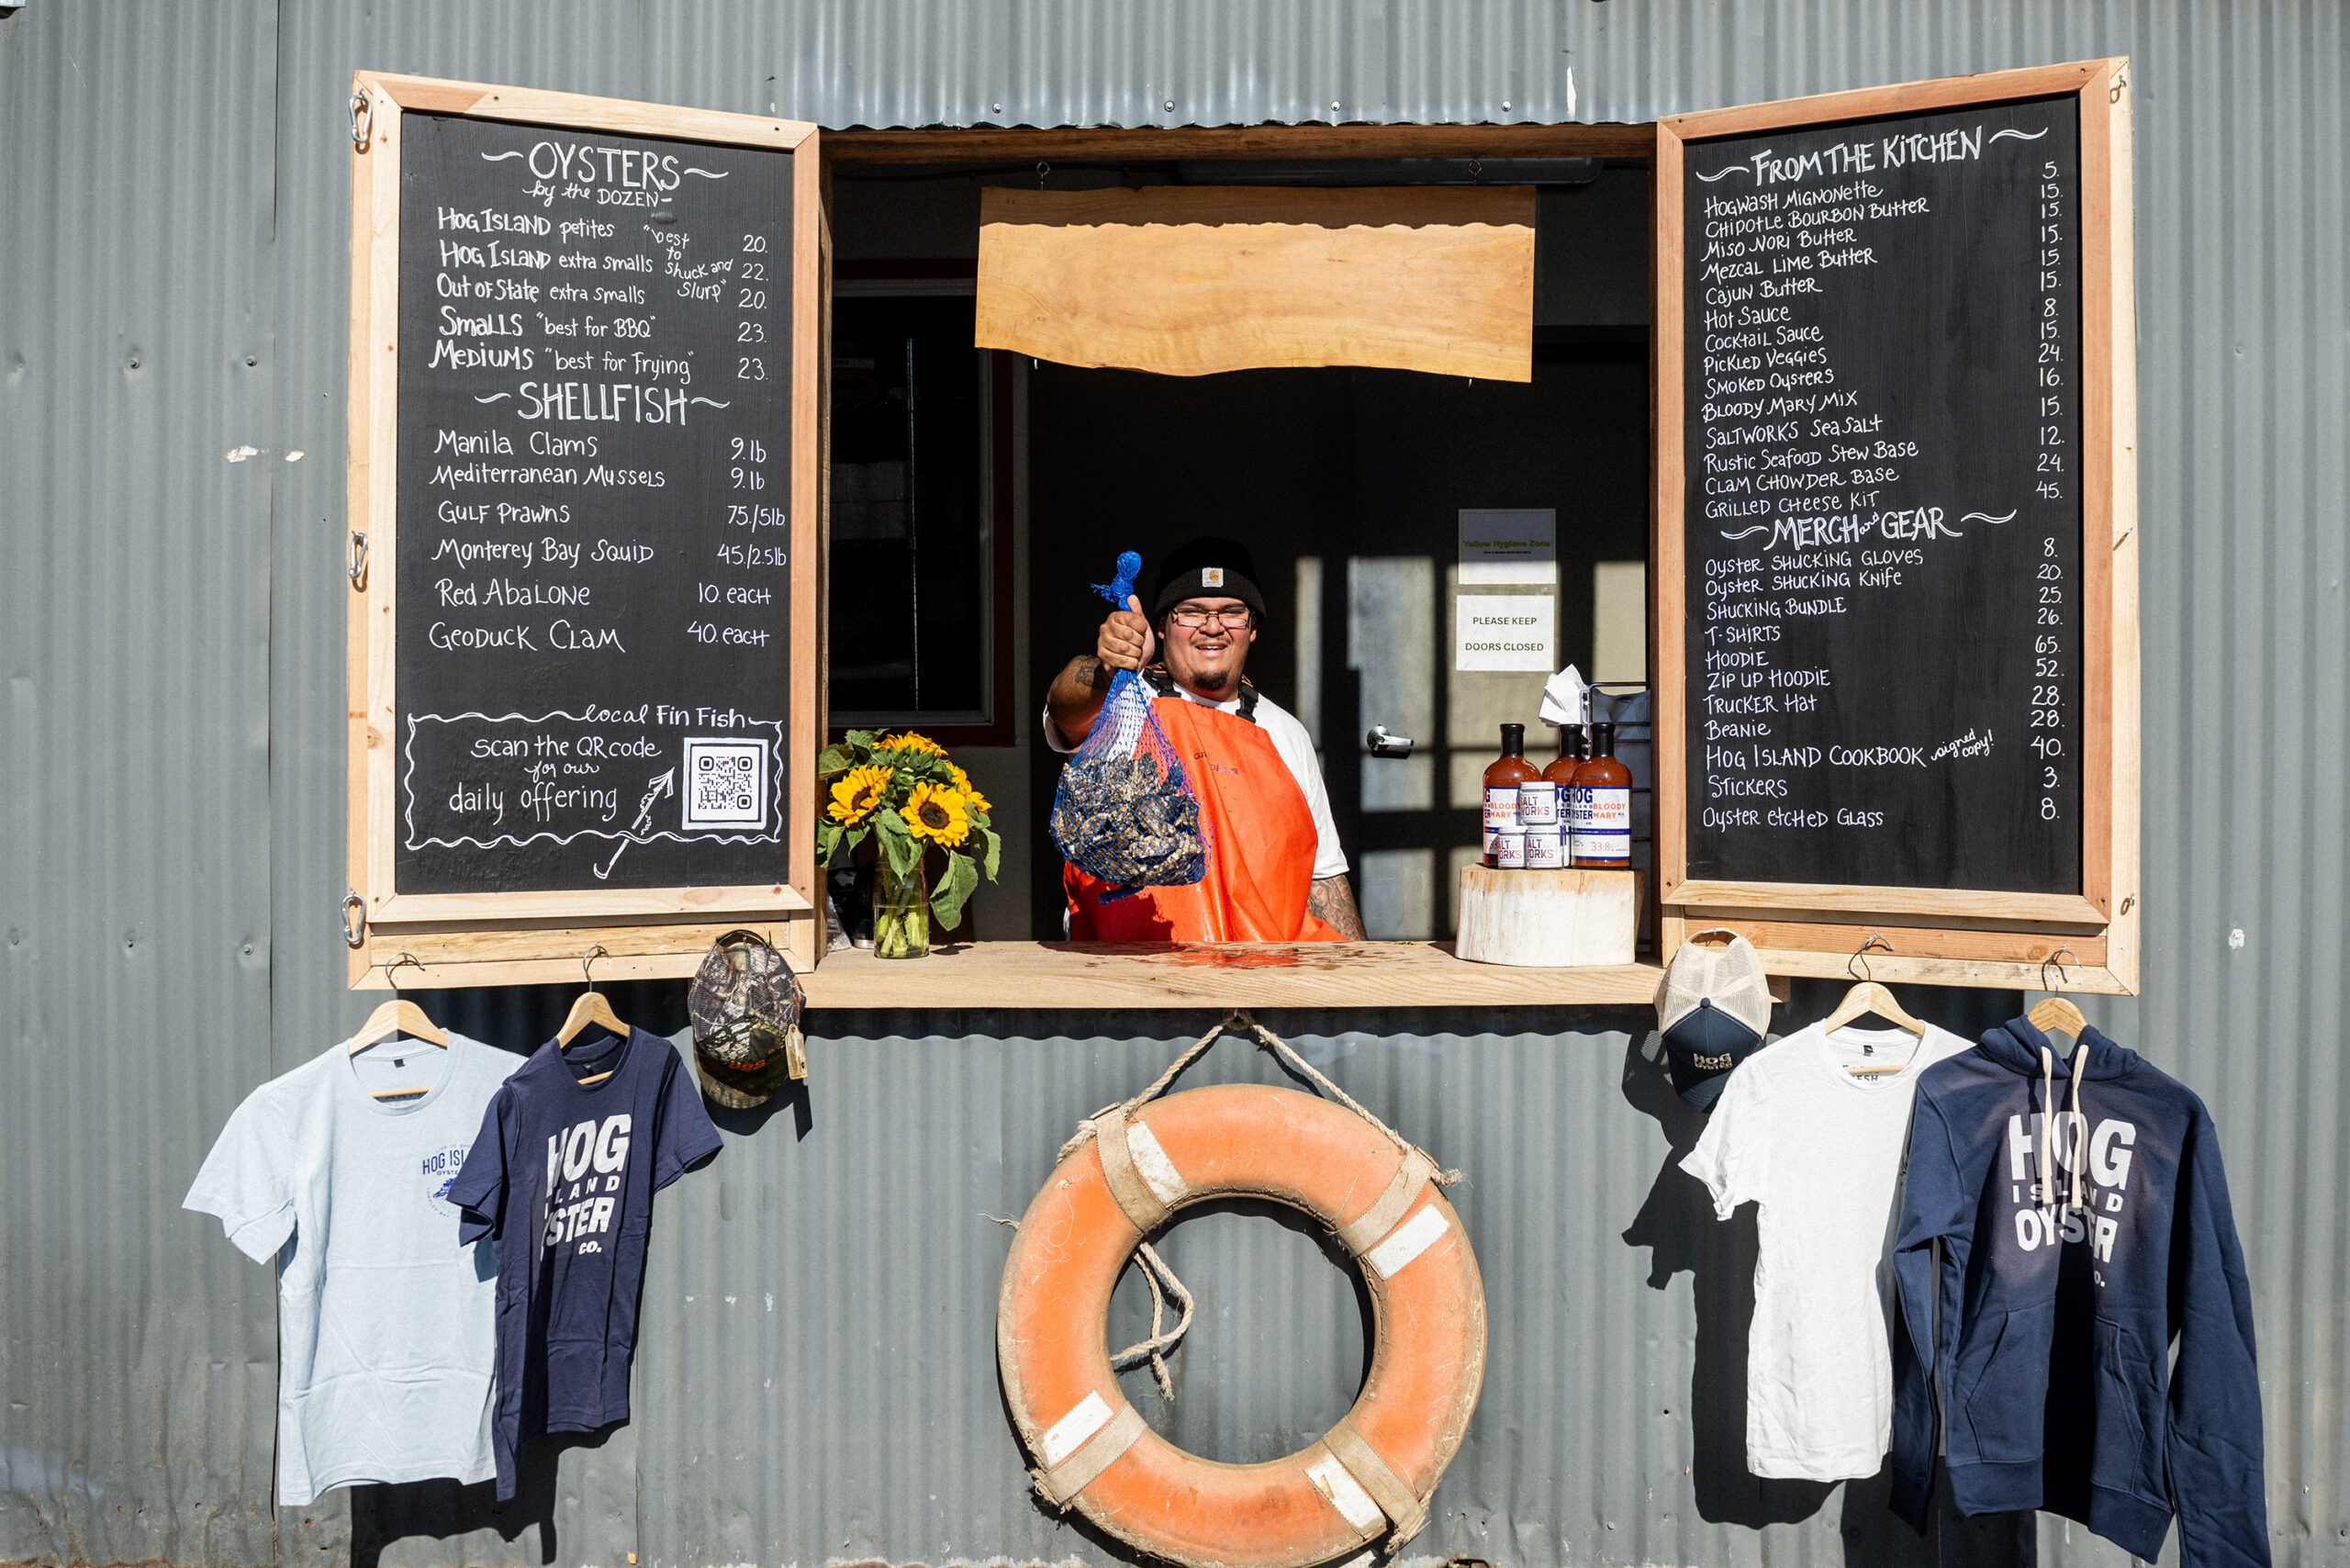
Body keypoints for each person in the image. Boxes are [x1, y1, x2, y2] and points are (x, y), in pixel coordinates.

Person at [1045, 538, 1364, 942]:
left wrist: (1362, 977)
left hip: (1266, 984)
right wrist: (1109, 668)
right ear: (1161, 626)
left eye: (1232, 613)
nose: (1212, 627)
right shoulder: (1122, 700)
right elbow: (1064, 709)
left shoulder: (1287, 733)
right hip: (1131, 980)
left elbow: (1323, 880)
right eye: (1191, 612)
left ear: (1252, 630)